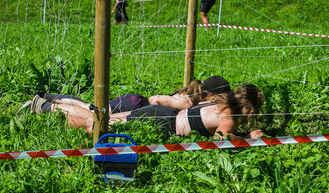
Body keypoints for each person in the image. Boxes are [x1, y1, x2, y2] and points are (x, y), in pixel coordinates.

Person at [30, 84, 265, 140]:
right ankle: (47, 107)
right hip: (162, 124)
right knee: (96, 125)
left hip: (159, 113)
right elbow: (219, 142)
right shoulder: (229, 117)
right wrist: (247, 139)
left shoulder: (215, 102)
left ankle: (48, 105)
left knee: (100, 119)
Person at [28, 76, 230, 114]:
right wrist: (147, 110)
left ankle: (47, 96)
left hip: (134, 100)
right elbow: (160, 99)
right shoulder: (187, 102)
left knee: (89, 107)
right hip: (135, 104)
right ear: (211, 95)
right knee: (95, 112)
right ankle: (43, 105)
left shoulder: (189, 94)